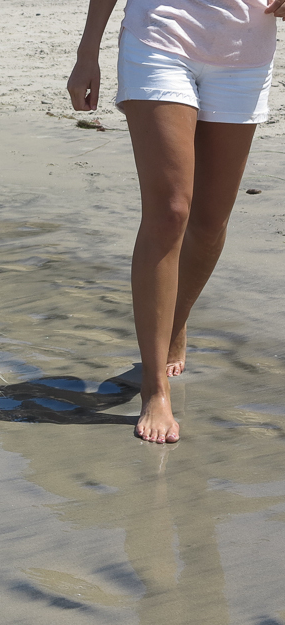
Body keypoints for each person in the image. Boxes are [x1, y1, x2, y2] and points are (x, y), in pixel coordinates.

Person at [67, 0, 283, 444]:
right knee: (170, 212)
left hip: (245, 49)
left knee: (209, 223)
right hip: (159, 38)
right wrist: (88, 52)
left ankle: (176, 319)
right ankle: (155, 386)